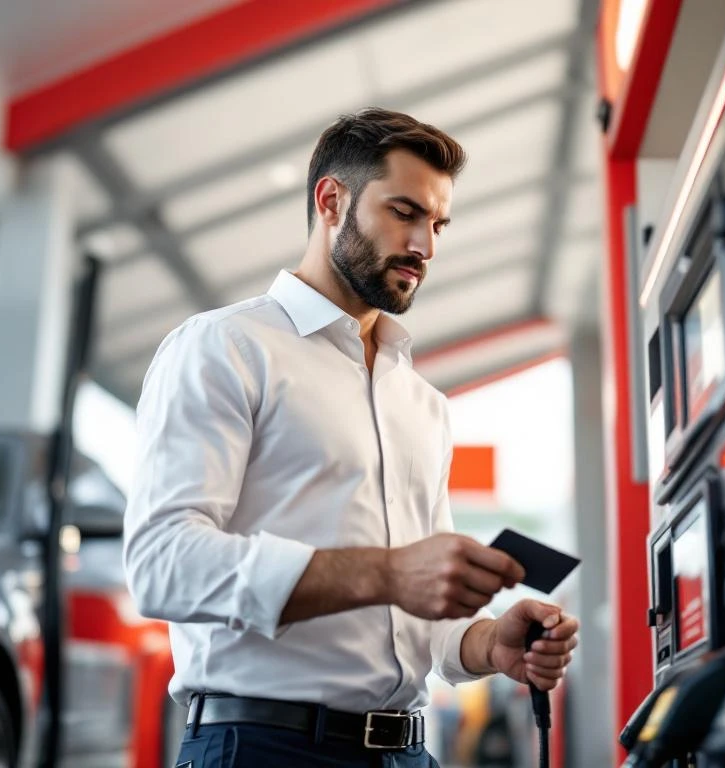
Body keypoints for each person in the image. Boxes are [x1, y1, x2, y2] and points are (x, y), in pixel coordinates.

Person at [123, 107, 579, 767]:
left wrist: (486, 645)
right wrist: (389, 573)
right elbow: (163, 563)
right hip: (261, 749)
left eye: (437, 224)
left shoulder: (422, 404)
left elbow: (422, 617)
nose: (425, 246)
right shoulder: (223, 348)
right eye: (404, 212)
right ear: (331, 200)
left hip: (409, 753)